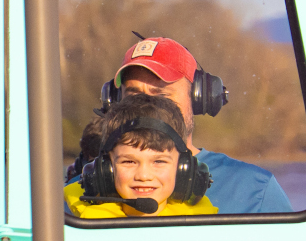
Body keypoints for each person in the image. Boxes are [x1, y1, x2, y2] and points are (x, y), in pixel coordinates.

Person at [108, 36, 291, 213]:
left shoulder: (255, 190)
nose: (147, 105)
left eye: (162, 95)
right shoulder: (84, 190)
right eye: (134, 96)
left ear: (198, 98)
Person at [65, 93, 217, 219]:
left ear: (183, 169)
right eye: (129, 161)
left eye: (159, 161)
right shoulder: (70, 225)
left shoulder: (203, 228)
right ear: (106, 168)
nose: (144, 176)